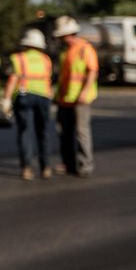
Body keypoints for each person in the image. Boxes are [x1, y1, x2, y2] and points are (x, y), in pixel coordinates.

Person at [1, 29, 54, 180]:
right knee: (43, 132)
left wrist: (6, 99)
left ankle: (27, 168)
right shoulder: (46, 59)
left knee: (25, 132)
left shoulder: (18, 58)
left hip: (24, 95)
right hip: (44, 96)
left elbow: (12, 79)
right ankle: (45, 167)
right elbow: (49, 80)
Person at [52, 15, 98, 177]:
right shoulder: (66, 53)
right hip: (65, 99)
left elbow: (92, 71)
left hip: (80, 99)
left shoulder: (85, 49)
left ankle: (85, 164)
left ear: (68, 35)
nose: (59, 39)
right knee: (64, 132)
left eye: (61, 36)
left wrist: (84, 91)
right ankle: (68, 163)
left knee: (81, 132)